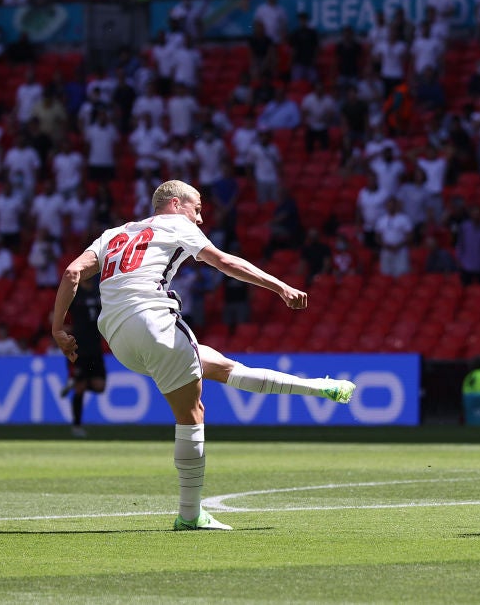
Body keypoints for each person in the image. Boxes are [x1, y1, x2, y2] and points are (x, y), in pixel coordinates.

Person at [51, 180, 355, 532]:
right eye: (197, 210)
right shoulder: (176, 223)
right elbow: (224, 261)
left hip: (118, 338)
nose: (198, 220)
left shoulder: (113, 234)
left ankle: (319, 388)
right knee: (191, 415)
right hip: (153, 322)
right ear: (176, 204)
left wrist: (59, 328)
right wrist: (280, 286)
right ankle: (191, 514)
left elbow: (73, 272)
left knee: (224, 367)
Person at [59, 276, 107, 438]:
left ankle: (76, 382)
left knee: (100, 386)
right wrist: (63, 329)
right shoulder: (74, 293)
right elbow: (58, 313)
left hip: (95, 346)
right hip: (79, 346)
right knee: (80, 390)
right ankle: (77, 425)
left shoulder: (98, 290)